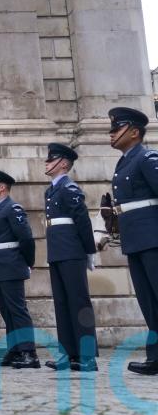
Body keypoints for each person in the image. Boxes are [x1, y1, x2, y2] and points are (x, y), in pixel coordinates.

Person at [108, 107, 158, 375]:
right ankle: (156, 356)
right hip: (136, 240)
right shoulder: (124, 162)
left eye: (118, 128)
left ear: (135, 132)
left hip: (153, 238)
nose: (112, 133)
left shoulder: (147, 158)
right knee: (148, 301)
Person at [43, 143, 98, 372]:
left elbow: (83, 222)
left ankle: (87, 356)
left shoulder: (69, 188)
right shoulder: (51, 190)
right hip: (57, 252)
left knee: (78, 303)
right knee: (62, 304)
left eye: (51, 159)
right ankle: (68, 353)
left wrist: (89, 252)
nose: (46, 163)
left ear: (63, 163)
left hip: (72, 252)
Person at [0, 169, 40, 369]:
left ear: (2, 187)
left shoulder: (12, 208)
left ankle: (28, 352)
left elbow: (25, 238)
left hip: (10, 264)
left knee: (17, 310)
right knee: (6, 311)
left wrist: (28, 262)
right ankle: (15, 349)